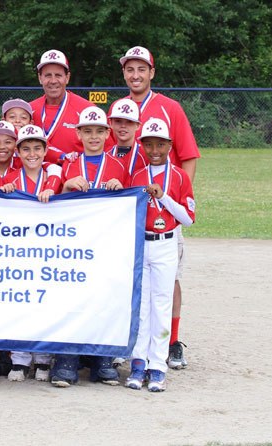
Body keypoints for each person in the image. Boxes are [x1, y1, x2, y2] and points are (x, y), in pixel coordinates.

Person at [117, 45, 201, 368]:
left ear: (152, 72)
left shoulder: (169, 108)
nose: (135, 75)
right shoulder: (121, 108)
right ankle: (136, 345)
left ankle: (172, 341)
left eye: (141, 69)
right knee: (137, 278)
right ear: (124, 73)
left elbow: (189, 156)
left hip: (166, 211)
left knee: (170, 278)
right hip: (135, 211)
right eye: (129, 69)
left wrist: (177, 199)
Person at [50, 106, 124, 388]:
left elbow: (131, 204)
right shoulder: (68, 165)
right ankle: (66, 357)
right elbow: (51, 201)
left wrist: (121, 187)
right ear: (78, 134)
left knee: (104, 297)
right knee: (70, 298)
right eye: (87, 131)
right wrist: (67, 187)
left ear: (108, 134)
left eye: (99, 131)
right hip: (73, 245)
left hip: (105, 245)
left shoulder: (117, 167)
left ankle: (101, 357)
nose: (94, 136)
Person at [127, 118, 195, 391]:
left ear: (169, 145)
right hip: (143, 243)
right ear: (142, 145)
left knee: (161, 304)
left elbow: (188, 218)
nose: (155, 149)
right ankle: (138, 363)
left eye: (161, 144)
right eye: (149, 144)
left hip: (166, 243)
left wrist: (164, 196)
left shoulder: (179, 176)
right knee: (141, 307)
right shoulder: (137, 176)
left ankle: (158, 365)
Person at [29, 50, 93, 155]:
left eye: (58, 75)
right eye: (48, 75)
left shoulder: (87, 110)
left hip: (76, 170)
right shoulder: (28, 111)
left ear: (67, 78)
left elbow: (105, 150)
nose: (53, 81)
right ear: (40, 78)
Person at [0, 125, 61, 202]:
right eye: (26, 149)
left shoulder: (56, 179)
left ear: (45, 150)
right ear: (17, 152)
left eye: (37, 148)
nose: (32, 154)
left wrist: (67, 186)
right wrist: (5, 191)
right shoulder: (8, 180)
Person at [107, 98, 147, 182]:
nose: (123, 126)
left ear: (138, 125)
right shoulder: (105, 154)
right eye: (118, 121)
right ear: (110, 123)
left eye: (129, 122)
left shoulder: (146, 156)